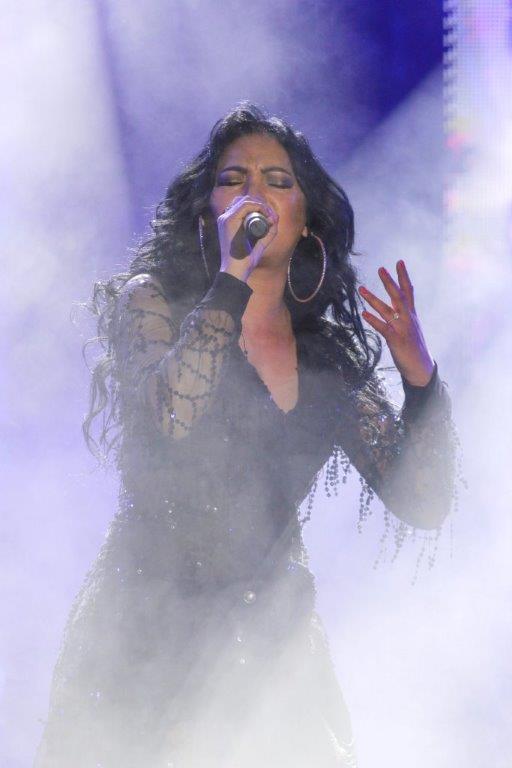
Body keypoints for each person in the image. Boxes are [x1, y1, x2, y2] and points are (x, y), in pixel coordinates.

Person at [34, 102, 456, 768]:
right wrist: (232, 279)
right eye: (234, 180)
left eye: (277, 181)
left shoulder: (325, 358)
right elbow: (174, 415)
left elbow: (423, 502)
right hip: (151, 650)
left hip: (272, 660)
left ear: (305, 219)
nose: (255, 193)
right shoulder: (154, 303)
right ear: (209, 215)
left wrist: (420, 379)